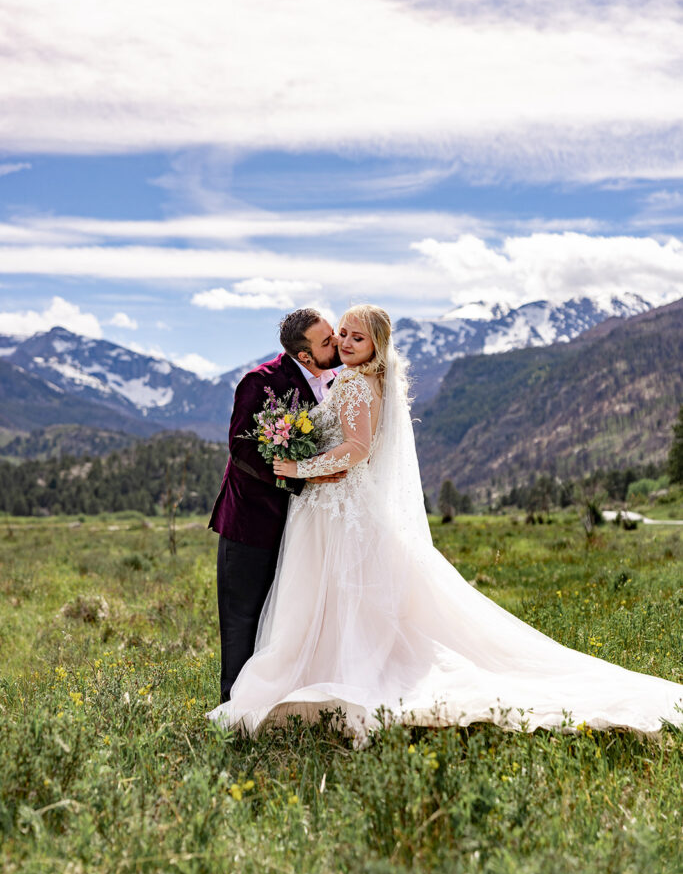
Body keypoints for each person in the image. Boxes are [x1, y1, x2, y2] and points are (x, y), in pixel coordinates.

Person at [208, 304, 683, 745]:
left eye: (354, 336)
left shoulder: (352, 383)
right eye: (339, 336)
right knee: (325, 598)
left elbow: (355, 450)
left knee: (333, 597)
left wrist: (296, 468)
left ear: (376, 343)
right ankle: (310, 677)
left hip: (335, 506)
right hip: (321, 507)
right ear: (307, 351)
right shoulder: (344, 379)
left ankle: (324, 681)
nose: (344, 343)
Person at [208, 307, 343, 704]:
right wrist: (297, 474)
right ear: (304, 356)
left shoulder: (340, 382)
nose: (335, 342)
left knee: (288, 621)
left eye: (332, 333)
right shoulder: (260, 383)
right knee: (242, 621)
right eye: (326, 341)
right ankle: (233, 711)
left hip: (306, 528)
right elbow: (242, 447)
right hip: (251, 523)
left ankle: (278, 702)